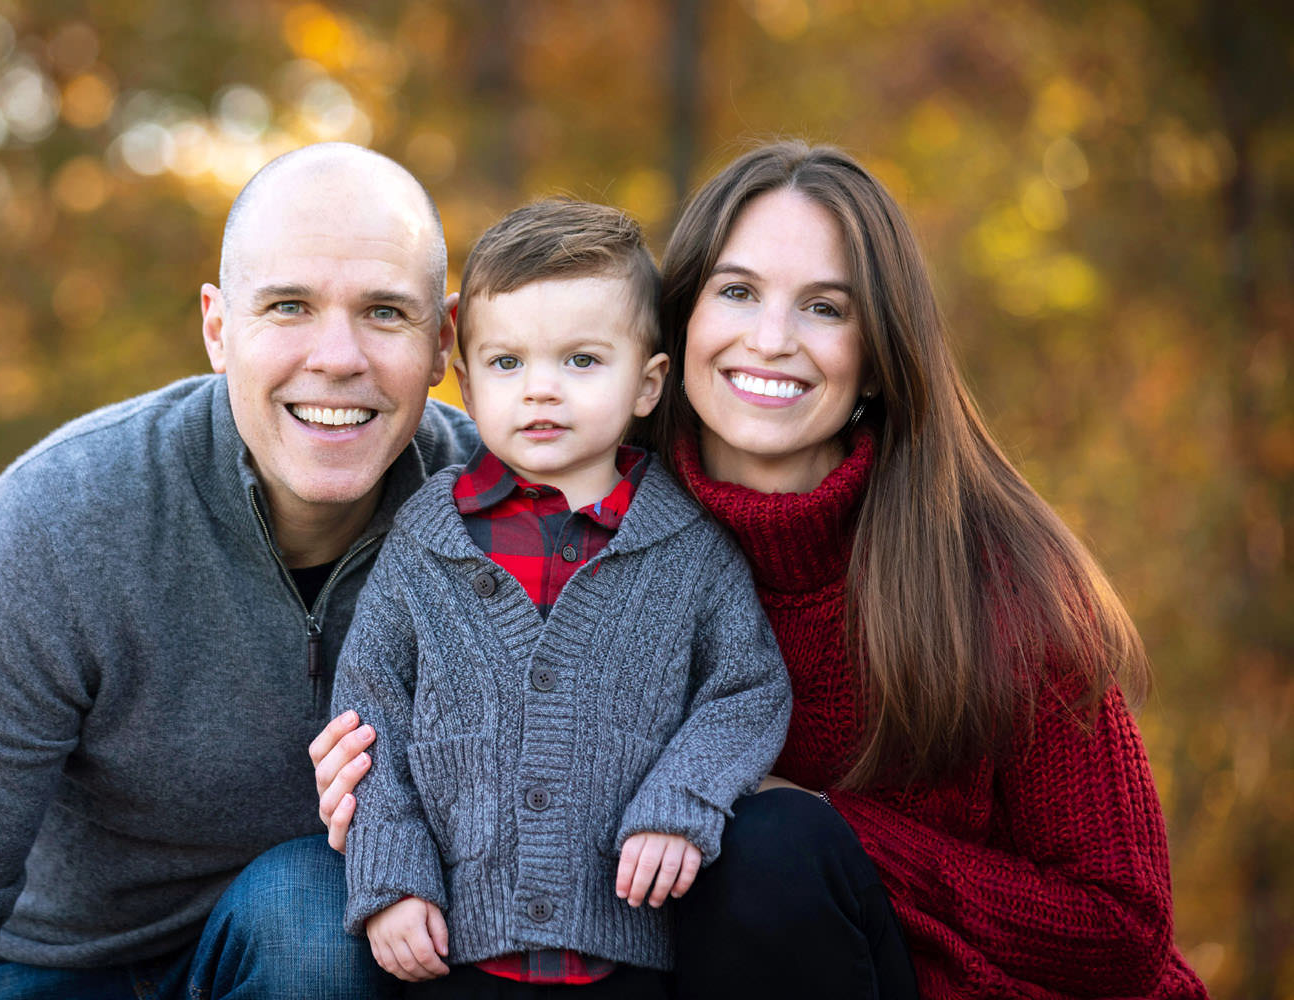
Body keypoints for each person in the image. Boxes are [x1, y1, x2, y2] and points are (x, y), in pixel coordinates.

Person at [313, 140, 1210, 999]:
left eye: (826, 306)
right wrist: (379, 785)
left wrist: (820, 821)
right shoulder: (581, 518)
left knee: (762, 848)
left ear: (876, 353)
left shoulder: (991, 573)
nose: (772, 339)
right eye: (739, 292)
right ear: (681, 325)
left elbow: (1122, 929)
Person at [0, 142, 479, 1000]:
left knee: (317, 904)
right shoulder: (60, 523)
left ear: (442, 342)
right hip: (57, 971)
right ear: (219, 329)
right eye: (289, 306)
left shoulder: (503, 519)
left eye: (384, 313)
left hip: (308, 956)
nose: (337, 356)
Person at [329, 199, 792, 997]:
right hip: (453, 951)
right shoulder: (425, 541)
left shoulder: (687, 547)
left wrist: (682, 801)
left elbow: (747, 691)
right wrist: (392, 879)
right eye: (509, 364)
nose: (541, 391)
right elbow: (369, 714)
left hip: (631, 946)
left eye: (581, 361)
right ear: (467, 384)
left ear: (647, 385)